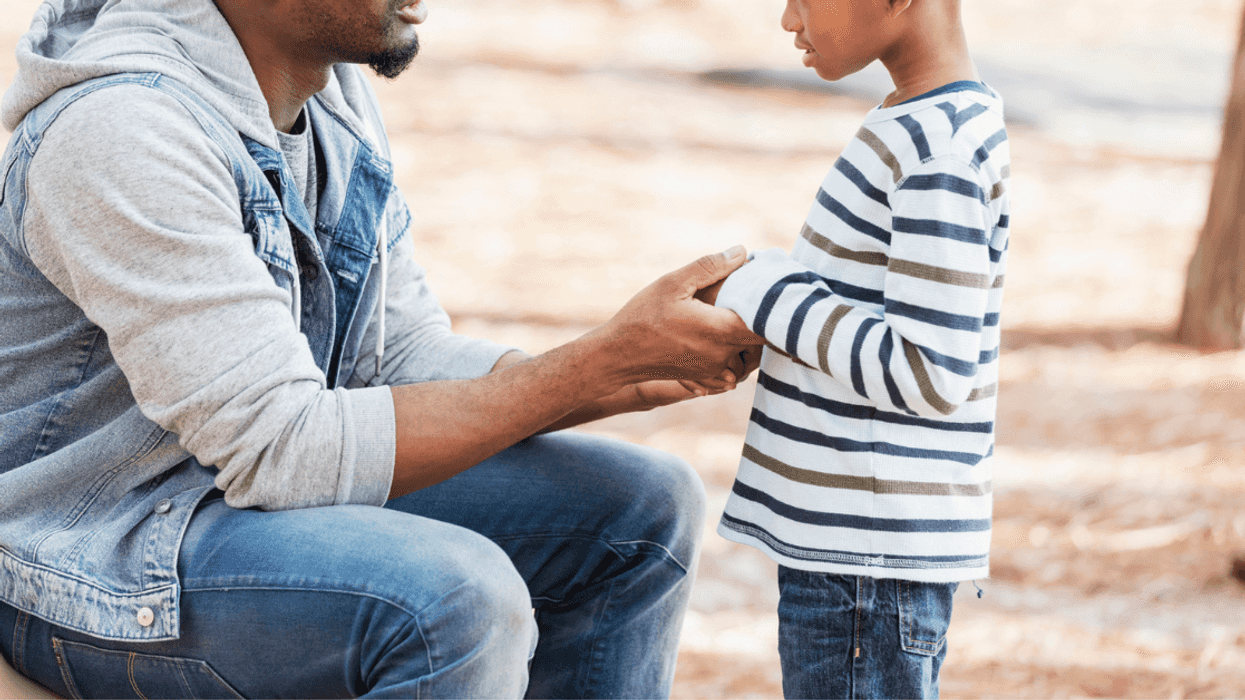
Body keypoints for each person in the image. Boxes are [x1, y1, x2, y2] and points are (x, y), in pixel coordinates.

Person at [0, 0, 766, 697]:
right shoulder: (125, 130)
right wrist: (592, 366)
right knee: (450, 599)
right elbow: (283, 451)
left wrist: (623, 371)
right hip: (94, 557)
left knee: (637, 509)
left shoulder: (328, 97)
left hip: (225, 499)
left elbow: (393, 356)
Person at [696, 0, 1010, 697]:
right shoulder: (918, 122)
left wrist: (764, 291)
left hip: (867, 565)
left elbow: (931, 371)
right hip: (857, 556)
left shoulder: (939, 151)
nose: (787, 20)